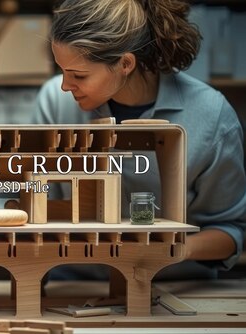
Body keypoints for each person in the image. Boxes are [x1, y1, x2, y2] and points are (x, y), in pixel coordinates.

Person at [36, 0, 246, 280]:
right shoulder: (54, 102)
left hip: (173, 288)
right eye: (62, 71)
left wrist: (171, 251)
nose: (64, 86)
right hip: (77, 284)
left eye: (78, 75)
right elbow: (36, 207)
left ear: (125, 63)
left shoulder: (211, 116)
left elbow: (232, 229)